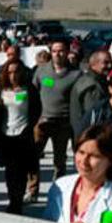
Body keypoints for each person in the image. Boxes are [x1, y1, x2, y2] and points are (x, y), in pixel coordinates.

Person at [43, 124, 112, 223]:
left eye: (94, 156)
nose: (84, 161)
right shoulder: (60, 187)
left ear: (111, 160)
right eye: (81, 152)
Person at [30, 41, 82, 199]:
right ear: (50, 52)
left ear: (67, 52)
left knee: (60, 161)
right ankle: (32, 190)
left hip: (63, 123)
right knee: (33, 156)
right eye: (54, 51)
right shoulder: (41, 71)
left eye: (61, 51)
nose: (58, 54)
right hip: (42, 121)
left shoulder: (76, 74)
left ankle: (57, 191)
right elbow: (33, 93)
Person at [0, 60, 41, 213]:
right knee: (10, 171)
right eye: (10, 72)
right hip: (6, 135)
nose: (13, 75)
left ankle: (17, 202)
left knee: (21, 171)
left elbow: (37, 109)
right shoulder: (1, 89)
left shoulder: (29, 89)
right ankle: (12, 198)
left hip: (22, 135)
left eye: (16, 71)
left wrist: (29, 127)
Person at [70, 50, 111, 138]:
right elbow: (93, 114)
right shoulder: (91, 85)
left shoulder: (95, 80)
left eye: (111, 62)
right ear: (93, 65)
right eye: (105, 63)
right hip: (89, 135)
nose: (110, 66)